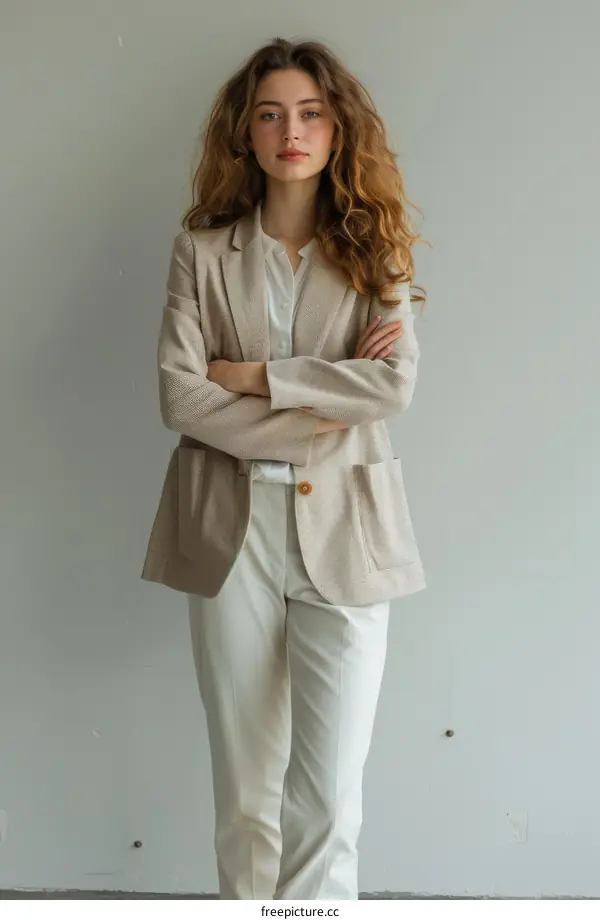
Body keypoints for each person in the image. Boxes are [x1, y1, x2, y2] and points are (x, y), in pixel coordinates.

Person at [141, 37, 427, 900]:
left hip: (347, 531)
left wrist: (256, 378)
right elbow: (182, 403)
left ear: (338, 130)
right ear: (246, 134)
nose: (289, 130)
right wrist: (323, 415)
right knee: (246, 789)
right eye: (270, 114)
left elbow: (392, 388)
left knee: (329, 794)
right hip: (231, 535)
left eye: (308, 113)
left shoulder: (379, 252)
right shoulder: (202, 252)